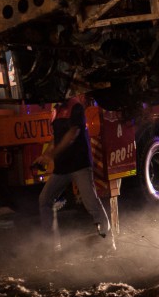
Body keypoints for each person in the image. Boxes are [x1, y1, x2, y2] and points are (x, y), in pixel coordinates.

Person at [34, 96, 111, 247]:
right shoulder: (56, 109)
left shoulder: (75, 107)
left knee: (90, 202)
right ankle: (50, 244)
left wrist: (51, 155)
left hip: (79, 164)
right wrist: (44, 155)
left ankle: (106, 237)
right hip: (63, 167)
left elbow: (72, 135)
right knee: (44, 200)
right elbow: (56, 138)